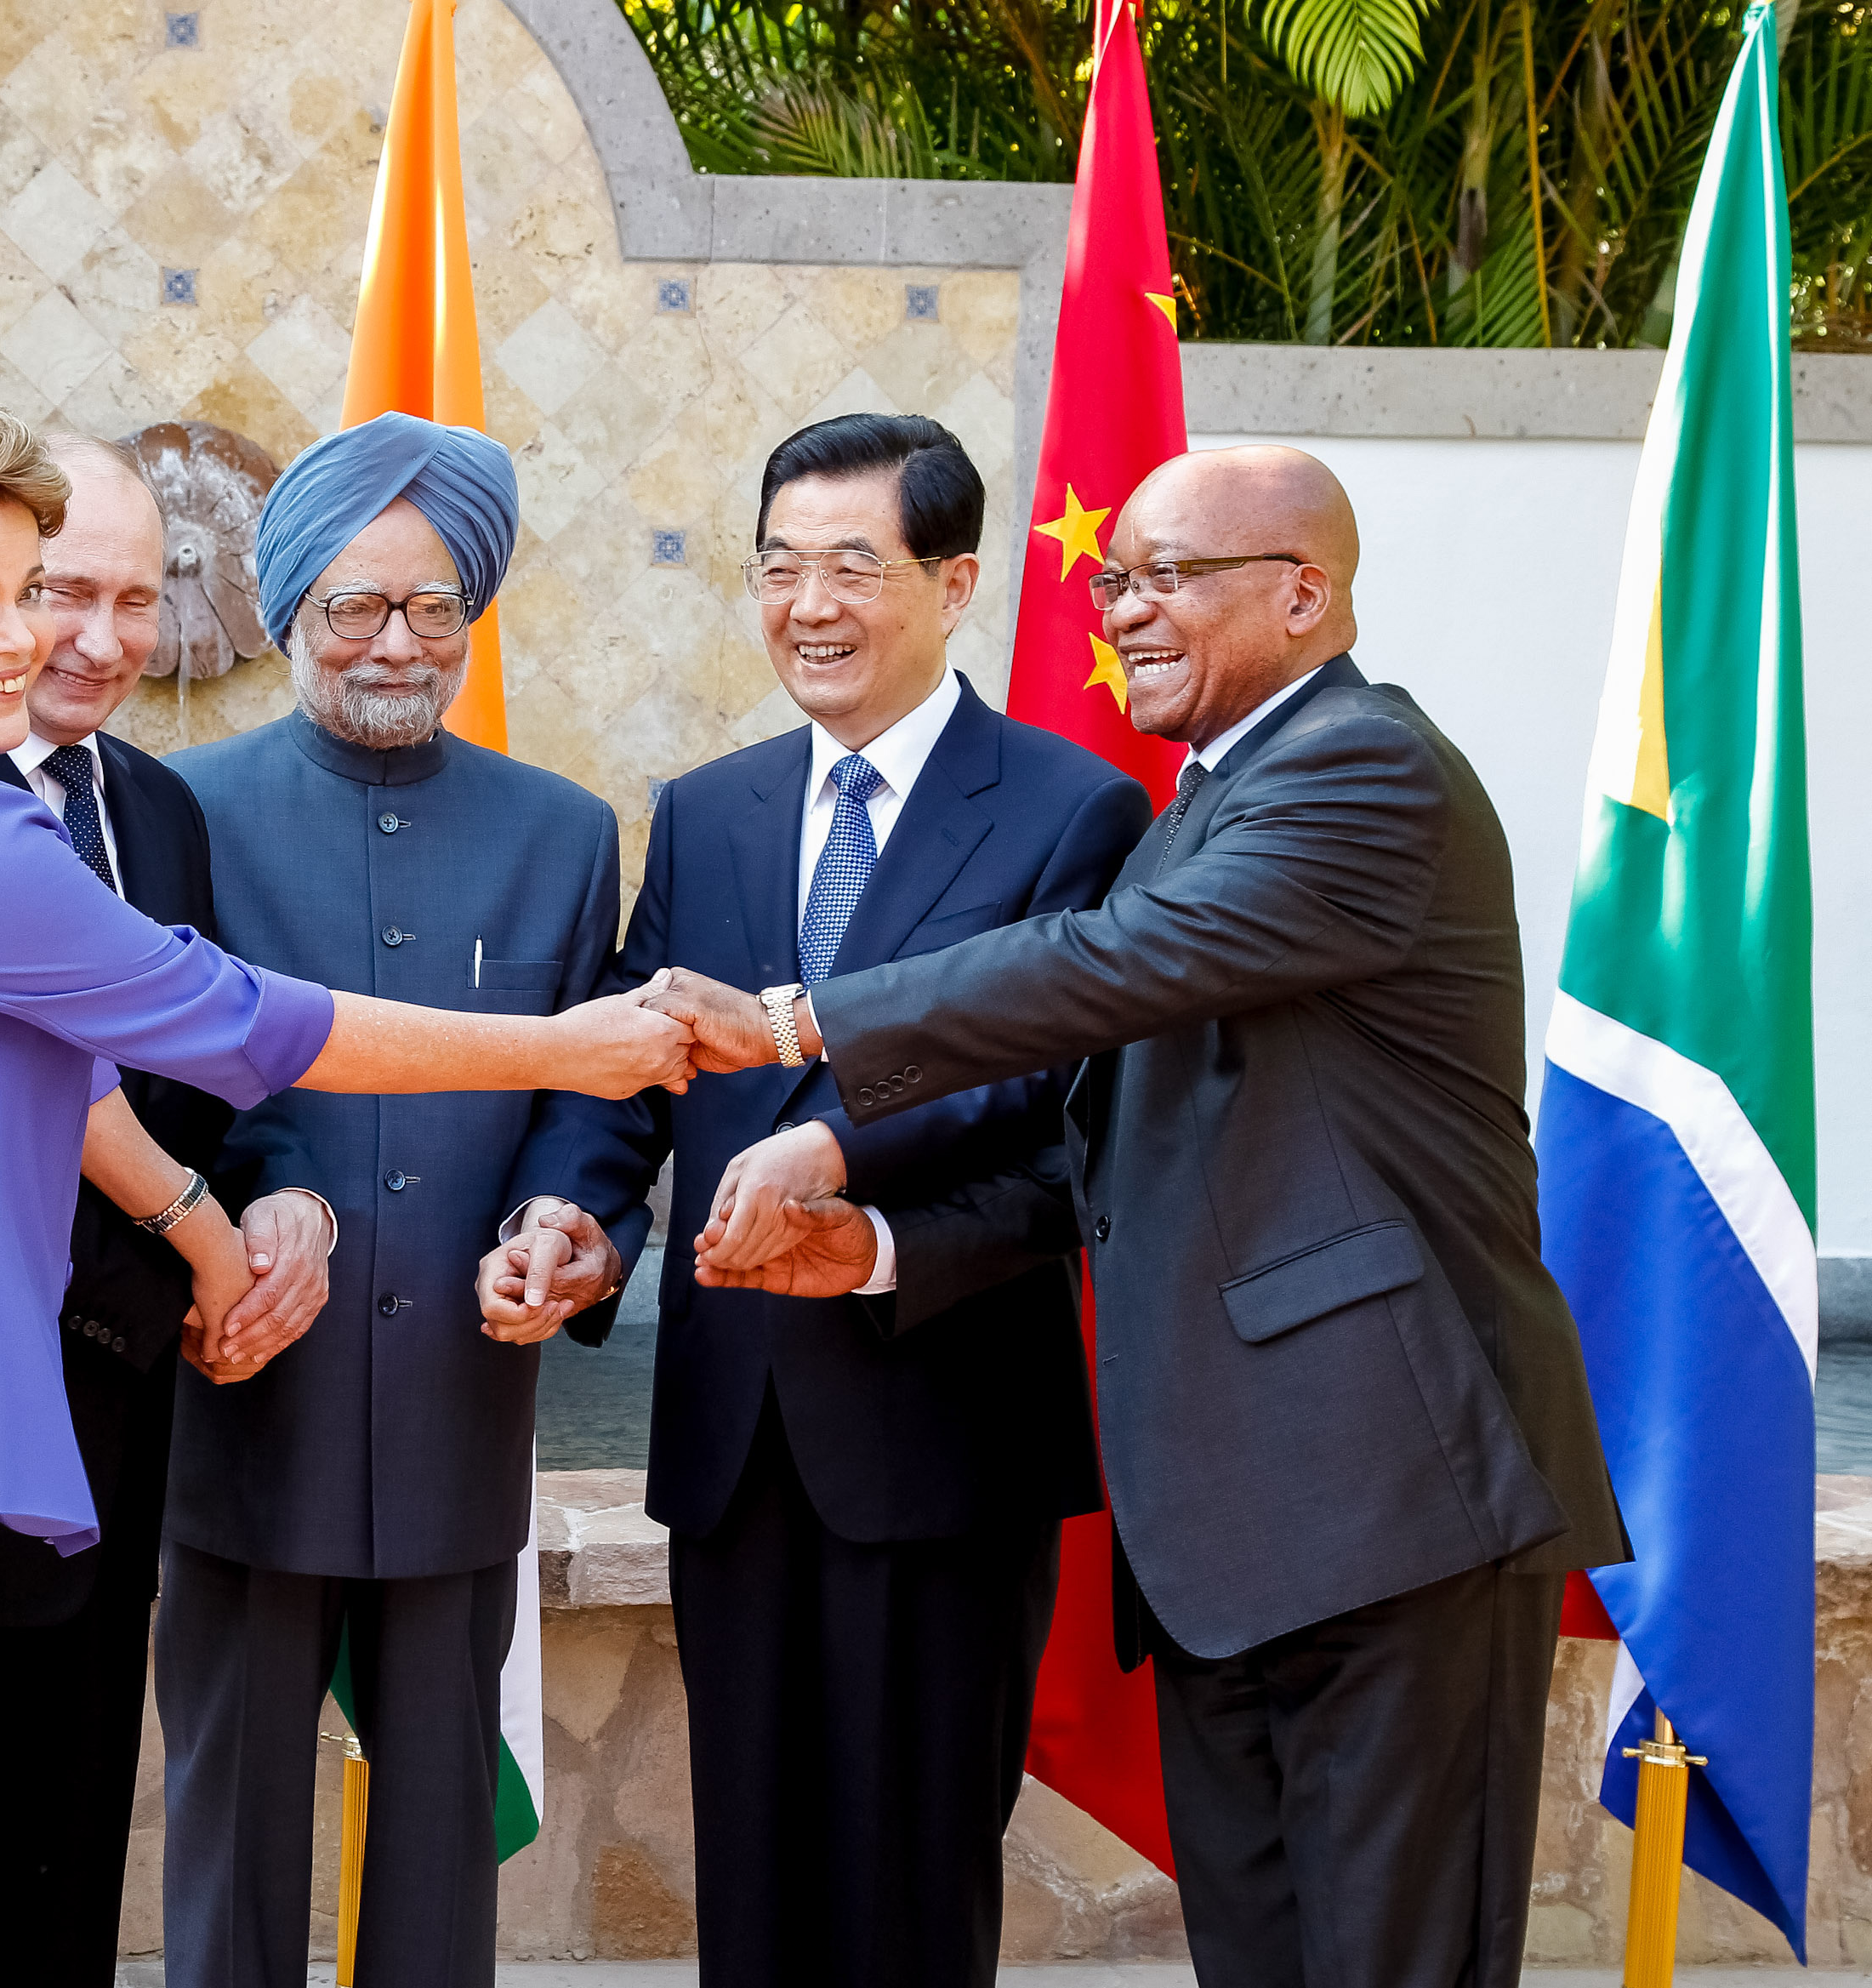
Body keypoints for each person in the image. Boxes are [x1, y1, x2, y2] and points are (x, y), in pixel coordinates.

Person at [0, 376, 692, 1988]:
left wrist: (193, 1221)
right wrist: (567, 1047)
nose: (22, 638)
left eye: (29, 589)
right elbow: (240, 1021)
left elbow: (53, 1054)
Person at [643, 446, 1629, 1988]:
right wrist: (883, 1245)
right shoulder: (1200, 809)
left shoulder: (1363, 767)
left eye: (1168, 576)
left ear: (1302, 594)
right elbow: (1093, 1151)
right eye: (1115, 580)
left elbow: (1102, 969)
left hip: (1386, 1493)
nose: (1121, 611)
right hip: (1236, 1528)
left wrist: (793, 1022)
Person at [473, 413, 1149, 1988]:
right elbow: (636, 1070)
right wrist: (572, 1219)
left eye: (855, 562)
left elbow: (1055, 1114)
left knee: (909, 1889)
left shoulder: (1073, 809)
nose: (809, 603)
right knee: (756, 1888)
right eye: (778, 565)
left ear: (956, 579)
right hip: (734, 1442)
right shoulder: (709, 807)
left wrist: (857, 1206)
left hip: (942, 1430)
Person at [154, 411, 618, 1988]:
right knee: (231, 1832)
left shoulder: (561, 833)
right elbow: (156, 1084)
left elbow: (583, 1101)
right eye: (353, 604)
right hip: (240, 1397)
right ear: (286, 607)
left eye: (433, 606)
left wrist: (563, 1226)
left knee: (436, 1854)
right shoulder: (176, 814)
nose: (394, 641)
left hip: (454, 1404)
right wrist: (251, 1203)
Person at [0, 434, 333, 1985]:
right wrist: (201, 1238)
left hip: (120, 1395)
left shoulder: (157, 808)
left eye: (138, 600)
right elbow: (53, 1075)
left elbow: (206, 1078)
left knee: (72, 1807)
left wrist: (280, 1215)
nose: (97, 639)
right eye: (60, 592)